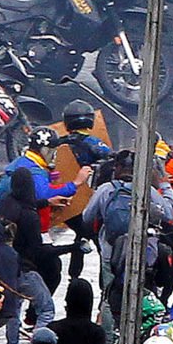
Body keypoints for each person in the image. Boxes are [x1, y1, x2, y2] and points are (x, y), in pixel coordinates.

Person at [83, 150, 173, 329]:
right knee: (144, 293)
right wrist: (165, 186)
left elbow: (87, 217)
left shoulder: (106, 189)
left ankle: (110, 340)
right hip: (142, 256)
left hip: (110, 255)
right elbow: (168, 213)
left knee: (109, 298)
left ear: (117, 168)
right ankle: (141, 332)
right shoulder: (147, 191)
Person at [0, 169, 65, 321]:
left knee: (14, 309)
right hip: (23, 268)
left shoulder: (7, 203)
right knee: (46, 308)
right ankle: (40, 339)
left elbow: (23, 205)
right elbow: (39, 251)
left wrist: (47, 202)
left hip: (5, 264)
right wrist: (70, 248)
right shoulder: (30, 217)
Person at [0, 126, 91, 231]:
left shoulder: (23, 161)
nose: (54, 155)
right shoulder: (34, 170)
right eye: (53, 151)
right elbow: (43, 195)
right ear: (45, 150)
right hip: (2, 224)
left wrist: (48, 177)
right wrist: (76, 183)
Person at [58, 99, 111, 280]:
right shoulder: (94, 143)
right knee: (101, 244)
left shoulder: (59, 143)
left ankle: (74, 277)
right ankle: (105, 284)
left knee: (80, 235)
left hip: (66, 200)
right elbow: (111, 159)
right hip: (89, 201)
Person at [0, 216, 53, 344]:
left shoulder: (8, 207)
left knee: (16, 310)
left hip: (8, 290)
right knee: (46, 309)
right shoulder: (9, 251)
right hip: (23, 276)